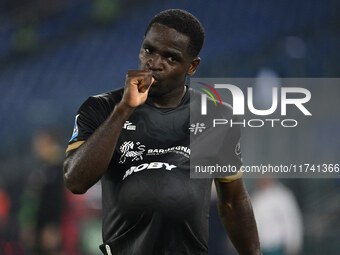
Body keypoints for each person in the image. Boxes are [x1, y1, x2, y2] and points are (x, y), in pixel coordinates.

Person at [63, 9, 261, 255]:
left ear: (192, 66)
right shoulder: (101, 108)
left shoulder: (215, 116)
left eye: (171, 58)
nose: (154, 63)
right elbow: (75, 181)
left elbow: (233, 202)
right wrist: (123, 110)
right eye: (149, 50)